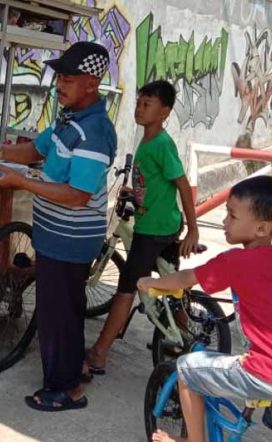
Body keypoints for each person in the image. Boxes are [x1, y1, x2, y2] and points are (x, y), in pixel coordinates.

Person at [0, 41, 117, 411]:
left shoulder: (94, 131)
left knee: (58, 314)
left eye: (68, 79)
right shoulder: (68, 119)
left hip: (70, 238)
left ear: (91, 83)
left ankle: (66, 390)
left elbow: (77, 195)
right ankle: (73, 369)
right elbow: (36, 150)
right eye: (59, 77)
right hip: (55, 235)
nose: (59, 85)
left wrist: (21, 182)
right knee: (65, 309)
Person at [137, 175, 272, 442]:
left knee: (186, 369)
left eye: (232, 216)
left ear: (262, 229)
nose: (225, 221)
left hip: (267, 371)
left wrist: (151, 281)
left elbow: (185, 278)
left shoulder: (236, 261)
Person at [86, 80, 199, 375]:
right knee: (170, 281)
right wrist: (134, 195)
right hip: (163, 224)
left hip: (155, 229)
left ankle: (99, 353)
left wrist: (195, 230)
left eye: (147, 104)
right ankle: (180, 338)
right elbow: (153, 185)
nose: (139, 108)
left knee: (127, 289)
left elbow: (184, 187)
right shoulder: (147, 139)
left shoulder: (160, 144)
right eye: (138, 102)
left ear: (165, 112)